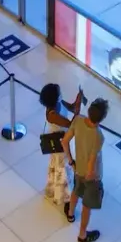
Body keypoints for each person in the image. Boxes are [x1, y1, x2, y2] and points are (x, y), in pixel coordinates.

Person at [63, 98, 109, 242]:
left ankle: (70, 214)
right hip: (91, 176)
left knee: (76, 191)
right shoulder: (98, 135)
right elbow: (92, 160)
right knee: (87, 206)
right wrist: (92, 176)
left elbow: (64, 141)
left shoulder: (77, 121)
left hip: (78, 169)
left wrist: (71, 162)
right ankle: (82, 235)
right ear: (102, 118)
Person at [39, 83, 85, 211]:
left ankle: (56, 190)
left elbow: (70, 107)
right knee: (62, 167)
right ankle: (65, 199)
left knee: (59, 166)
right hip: (60, 142)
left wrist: (77, 100)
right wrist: (78, 108)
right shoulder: (52, 114)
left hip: (63, 138)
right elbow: (72, 124)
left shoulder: (57, 103)